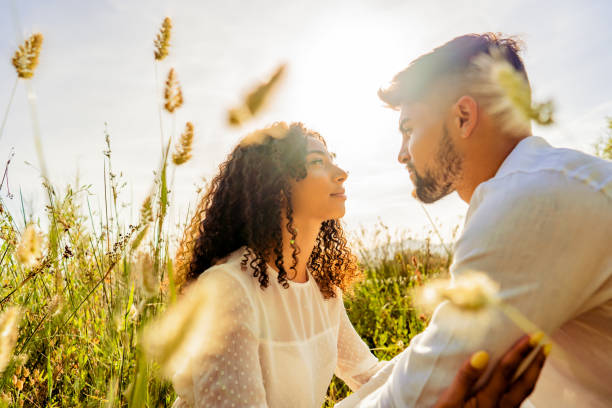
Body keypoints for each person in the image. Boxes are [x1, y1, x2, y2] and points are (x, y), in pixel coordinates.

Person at [169, 122, 547, 408]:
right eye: (317, 162)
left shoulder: (321, 289)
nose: (341, 172)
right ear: (274, 183)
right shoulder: (228, 290)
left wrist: (457, 355)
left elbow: (367, 376)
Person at [336, 33, 612, 407]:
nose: (402, 154)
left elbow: (419, 395)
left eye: (409, 129)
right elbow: (428, 357)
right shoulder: (541, 183)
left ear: (463, 117)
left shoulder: (528, 201)